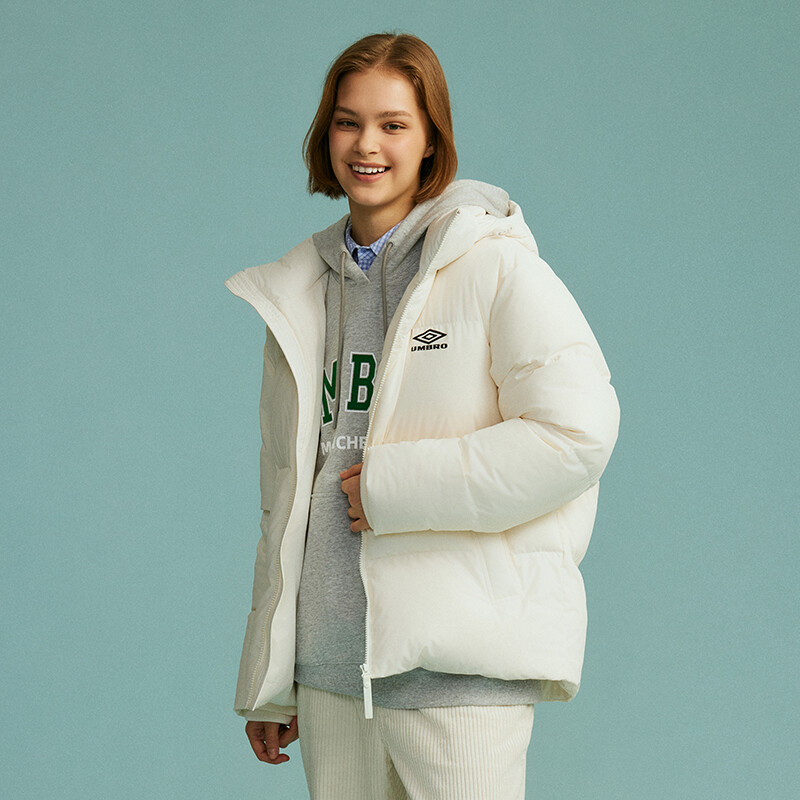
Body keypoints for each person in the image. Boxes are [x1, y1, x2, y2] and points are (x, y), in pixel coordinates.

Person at [225, 32, 620, 800]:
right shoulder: (300, 292)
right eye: (348, 122)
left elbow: (577, 434)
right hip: (330, 674)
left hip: (456, 674)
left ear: (431, 138)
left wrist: (393, 488)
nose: (366, 145)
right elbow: (287, 497)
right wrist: (272, 677)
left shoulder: (491, 265)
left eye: (393, 124)